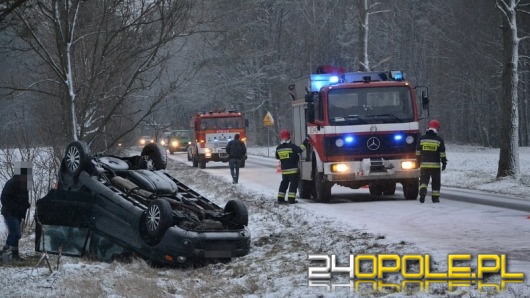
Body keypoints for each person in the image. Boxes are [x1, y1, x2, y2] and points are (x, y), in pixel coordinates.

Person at [1, 161, 32, 260]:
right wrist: (15, 207)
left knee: (13, 233)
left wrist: (26, 205)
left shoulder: (25, 184)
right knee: (16, 233)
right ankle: (14, 255)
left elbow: (24, 199)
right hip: (10, 212)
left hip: (18, 213)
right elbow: (4, 198)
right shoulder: (11, 183)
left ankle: (4, 251)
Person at [416, 119, 447, 203]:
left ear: (428, 127)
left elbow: (418, 152)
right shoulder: (439, 140)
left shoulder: (422, 139)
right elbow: (442, 153)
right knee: (436, 182)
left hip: (424, 165)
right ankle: (435, 198)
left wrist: (418, 162)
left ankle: (422, 192)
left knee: (423, 181)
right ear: (437, 128)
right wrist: (444, 163)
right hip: (435, 166)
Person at [275, 130, 308, 204]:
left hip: (284, 171)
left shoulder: (278, 148)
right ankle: (291, 199)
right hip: (293, 170)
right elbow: (300, 150)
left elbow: (277, 157)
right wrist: (305, 143)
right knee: (293, 185)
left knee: (284, 184)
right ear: (289, 137)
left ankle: (280, 198)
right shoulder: (292, 146)